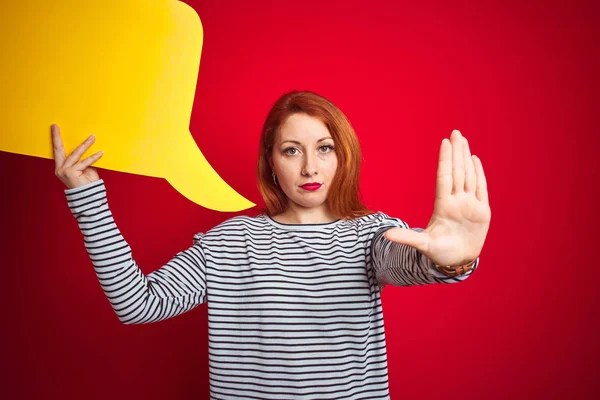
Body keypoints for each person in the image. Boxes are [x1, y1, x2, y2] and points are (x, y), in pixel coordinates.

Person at [52, 90, 491, 399]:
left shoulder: (370, 234)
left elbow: (408, 261)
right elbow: (138, 304)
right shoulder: (229, 242)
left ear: (343, 156)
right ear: (271, 161)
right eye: (291, 151)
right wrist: (88, 199)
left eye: (324, 148)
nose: (310, 166)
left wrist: (455, 258)